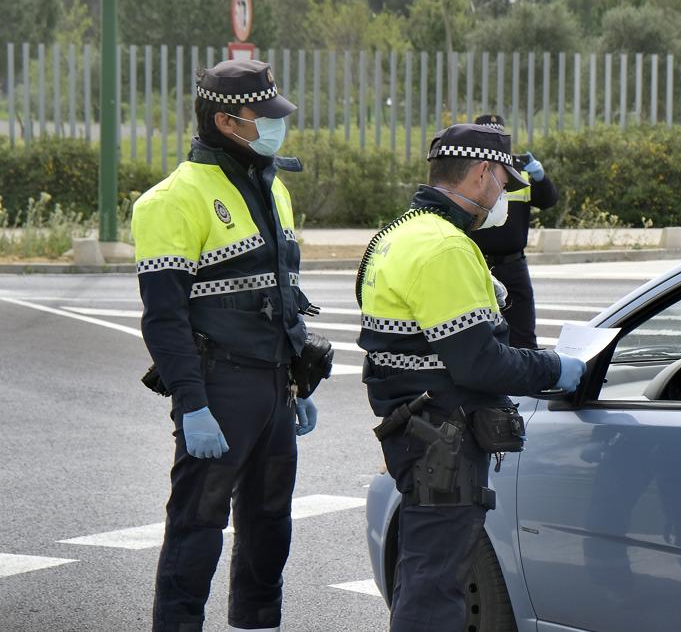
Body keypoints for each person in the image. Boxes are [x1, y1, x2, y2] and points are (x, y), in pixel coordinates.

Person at [356, 122, 586, 631]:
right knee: (436, 586)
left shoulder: (396, 235)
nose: (505, 192)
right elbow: (479, 362)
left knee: (423, 576)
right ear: (482, 172)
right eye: (504, 180)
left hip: (414, 427)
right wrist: (559, 368)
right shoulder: (446, 247)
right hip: (445, 436)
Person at [133, 59, 329, 632]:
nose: (274, 126)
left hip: (272, 387)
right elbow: (163, 319)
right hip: (218, 388)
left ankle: (256, 623)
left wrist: (298, 382)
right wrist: (191, 403)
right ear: (226, 120)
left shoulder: (274, 189)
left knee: (271, 528)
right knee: (198, 526)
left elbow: (284, 294)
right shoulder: (172, 199)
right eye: (262, 117)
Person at [467, 113, 559, 349]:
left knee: (523, 338)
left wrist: (540, 177)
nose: (493, 140)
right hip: (476, 264)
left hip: (513, 266)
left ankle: (525, 386)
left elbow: (547, 200)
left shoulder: (519, 171)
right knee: (477, 335)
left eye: (497, 134)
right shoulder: (466, 171)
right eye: (487, 135)